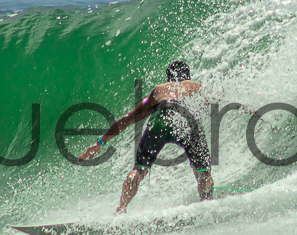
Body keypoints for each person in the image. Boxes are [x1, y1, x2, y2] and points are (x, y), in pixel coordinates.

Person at [78, 61, 215, 215]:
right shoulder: (197, 87)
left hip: (160, 119)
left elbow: (128, 118)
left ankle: (121, 209)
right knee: (203, 170)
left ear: (168, 78)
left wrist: (100, 142)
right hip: (186, 120)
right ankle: (206, 204)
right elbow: (219, 101)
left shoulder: (159, 89)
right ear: (188, 76)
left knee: (139, 169)